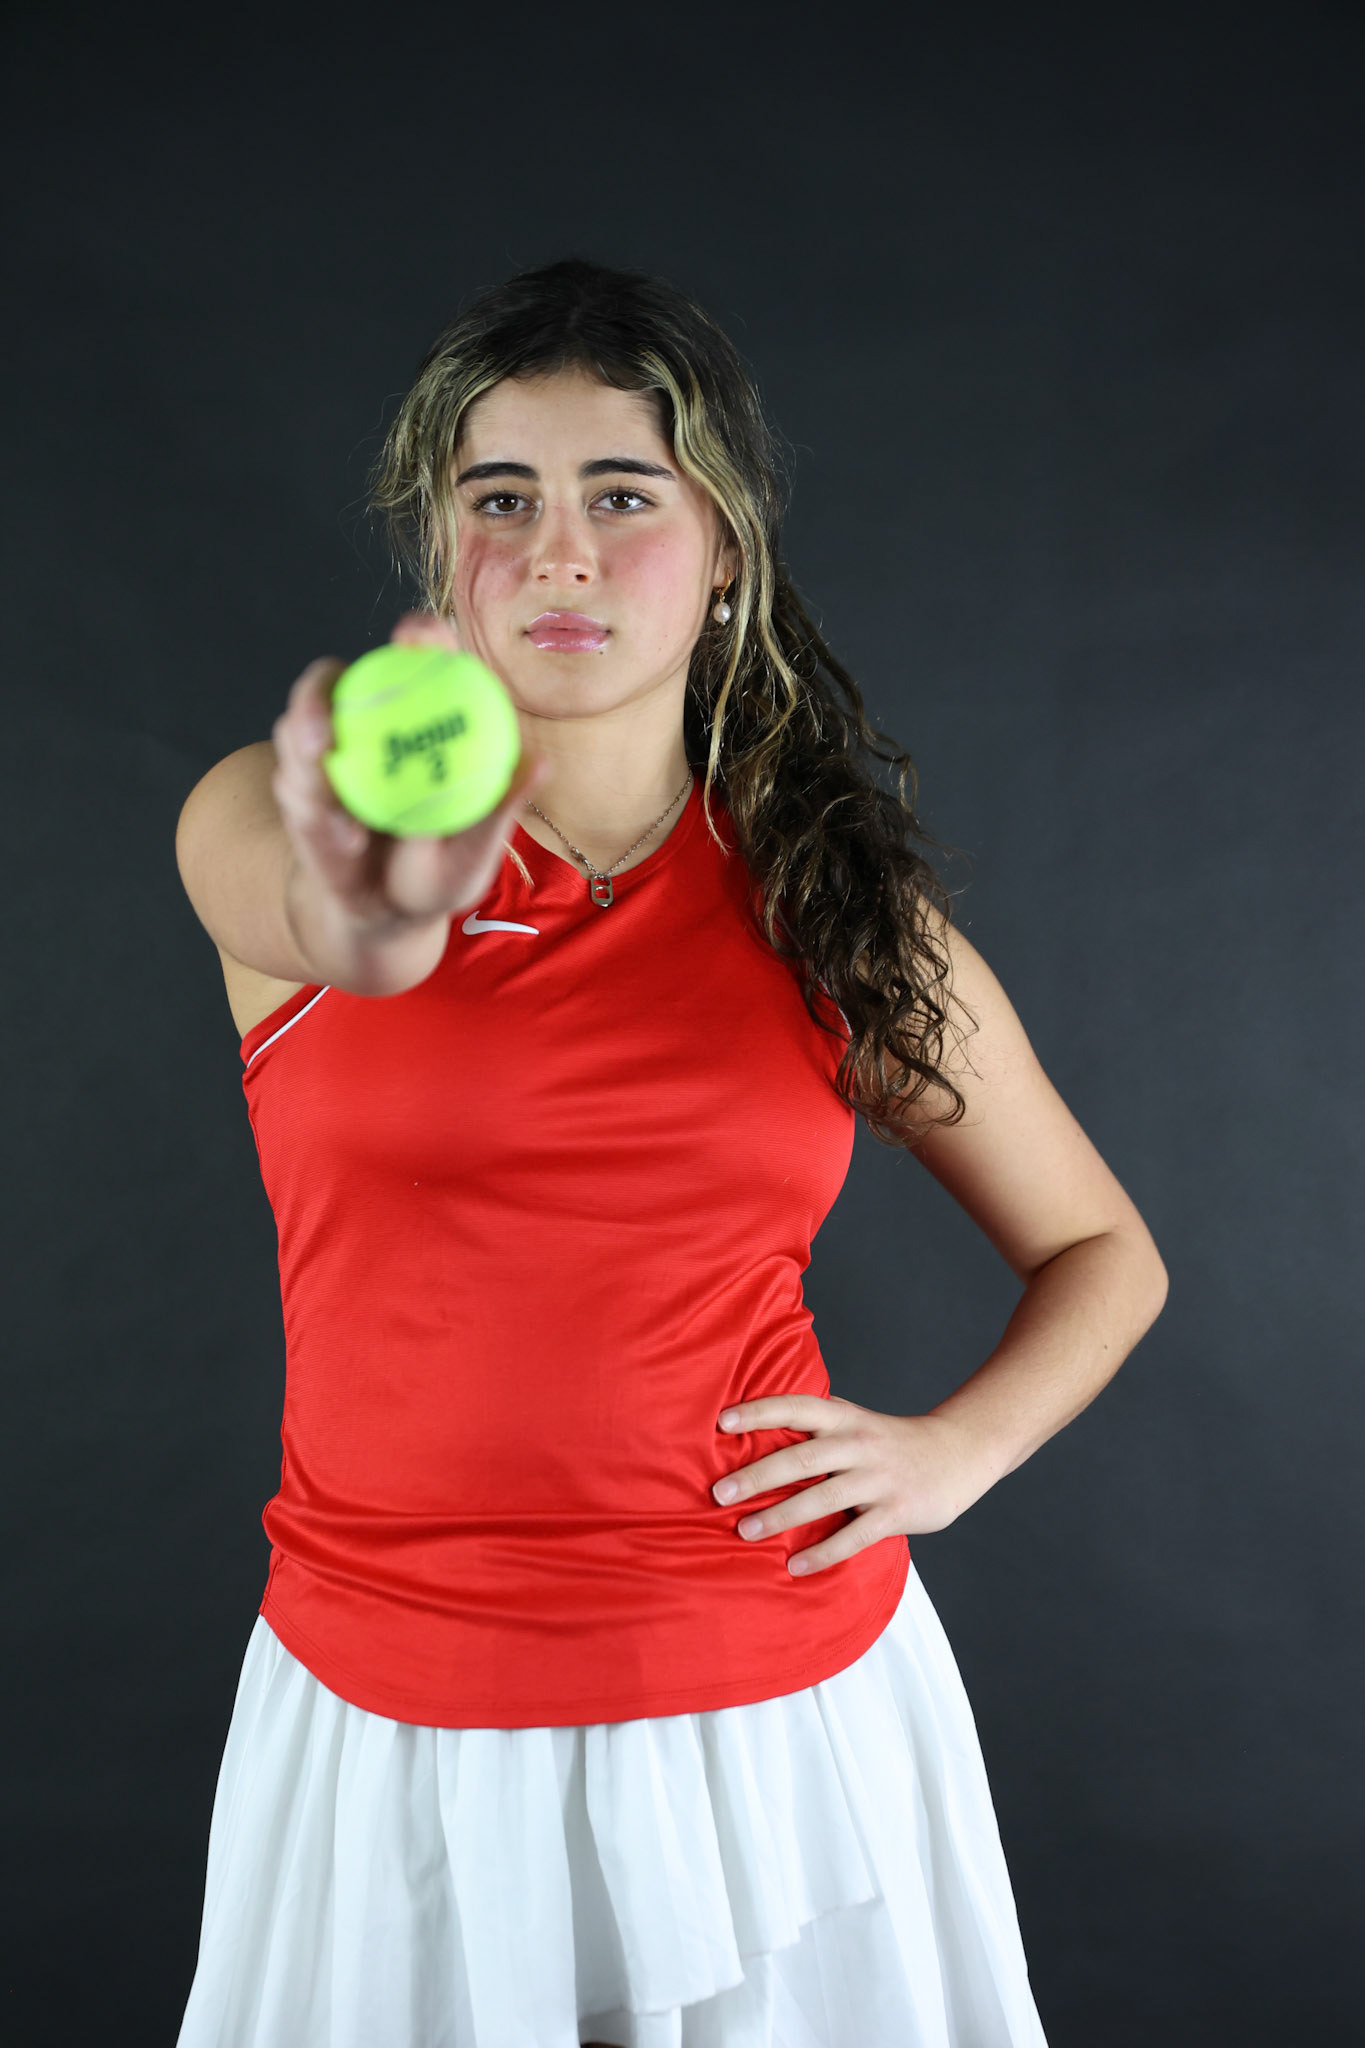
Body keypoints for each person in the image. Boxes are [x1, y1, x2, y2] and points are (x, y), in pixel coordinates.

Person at [172, 256, 1168, 2048]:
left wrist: (951, 1454)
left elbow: (1105, 1251)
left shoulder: (830, 909)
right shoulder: (268, 812)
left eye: (620, 495)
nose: (557, 549)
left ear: (721, 559)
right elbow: (351, 933)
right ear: (441, 555)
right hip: (387, 1695)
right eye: (501, 499)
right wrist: (393, 893)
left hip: (777, 1703)